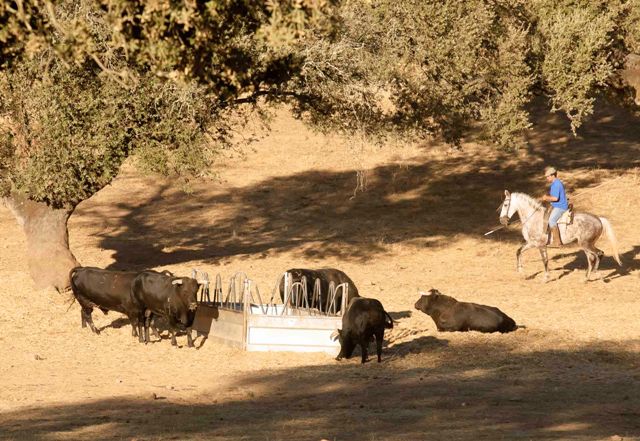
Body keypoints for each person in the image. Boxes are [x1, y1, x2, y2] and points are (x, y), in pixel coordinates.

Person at [541, 166, 568, 247]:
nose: (547, 178)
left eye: (548, 176)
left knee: (552, 221)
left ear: (553, 175)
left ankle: (557, 242)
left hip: (560, 207)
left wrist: (546, 198)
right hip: (555, 205)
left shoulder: (556, 184)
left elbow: (555, 198)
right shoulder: (555, 183)